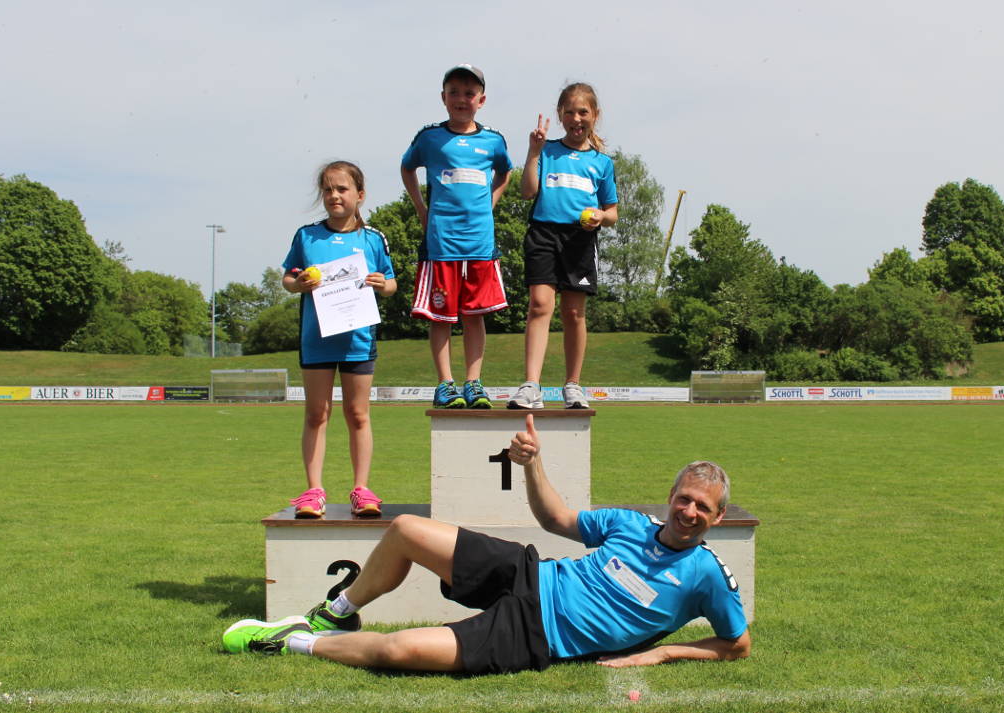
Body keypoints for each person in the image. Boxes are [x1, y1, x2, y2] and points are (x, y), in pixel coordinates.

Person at [223, 414, 751, 673]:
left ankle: (290, 642)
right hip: (530, 574)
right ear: (671, 496)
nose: (690, 512)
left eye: (703, 507)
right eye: (685, 499)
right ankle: (336, 613)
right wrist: (533, 464)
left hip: (538, 636)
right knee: (405, 529)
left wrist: (659, 656)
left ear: (718, 516)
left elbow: (737, 645)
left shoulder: (706, 574)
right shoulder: (629, 523)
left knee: (399, 649)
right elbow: (556, 518)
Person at [281, 161, 398, 518]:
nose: (334, 195)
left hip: (358, 339)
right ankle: (313, 491)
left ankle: (361, 490)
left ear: (360, 195)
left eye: (342, 189)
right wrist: (297, 284)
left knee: (358, 414)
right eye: (328, 189)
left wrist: (383, 284)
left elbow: (391, 283)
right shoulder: (307, 236)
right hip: (317, 338)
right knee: (317, 414)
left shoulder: (373, 239)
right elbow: (288, 278)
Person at [400, 64, 513, 410]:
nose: (461, 99)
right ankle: (445, 384)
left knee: (474, 315)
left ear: (481, 99)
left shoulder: (493, 140)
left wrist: (488, 205)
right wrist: (421, 209)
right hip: (441, 243)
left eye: (469, 93)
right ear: (443, 98)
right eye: (454, 92)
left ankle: (474, 382)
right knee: (441, 316)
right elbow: (407, 167)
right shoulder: (430, 138)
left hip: (478, 244)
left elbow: (504, 173)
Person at [508, 83, 618, 410]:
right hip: (543, 233)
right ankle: (531, 386)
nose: (576, 118)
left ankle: (572, 386)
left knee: (573, 313)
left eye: (583, 112)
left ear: (595, 116)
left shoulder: (601, 163)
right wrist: (532, 150)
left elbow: (612, 212)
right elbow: (527, 191)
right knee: (540, 305)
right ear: (560, 115)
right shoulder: (548, 151)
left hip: (580, 240)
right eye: (569, 112)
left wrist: (600, 215)